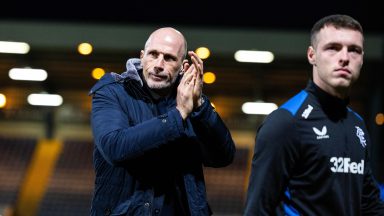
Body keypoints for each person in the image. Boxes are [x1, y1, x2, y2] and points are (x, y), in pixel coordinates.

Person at [244, 14, 384, 215]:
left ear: (362, 59)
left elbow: (370, 205)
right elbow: (258, 209)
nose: (344, 57)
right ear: (312, 55)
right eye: (333, 48)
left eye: (354, 50)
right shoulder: (286, 122)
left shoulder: (358, 126)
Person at [88, 27, 236, 216]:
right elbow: (114, 147)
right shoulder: (112, 92)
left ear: (183, 67)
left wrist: (200, 107)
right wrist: (178, 114)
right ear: (142, 56)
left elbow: (223, 156)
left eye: (169, 58)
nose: (158, 64)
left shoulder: (192, 101)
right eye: (153, 54)